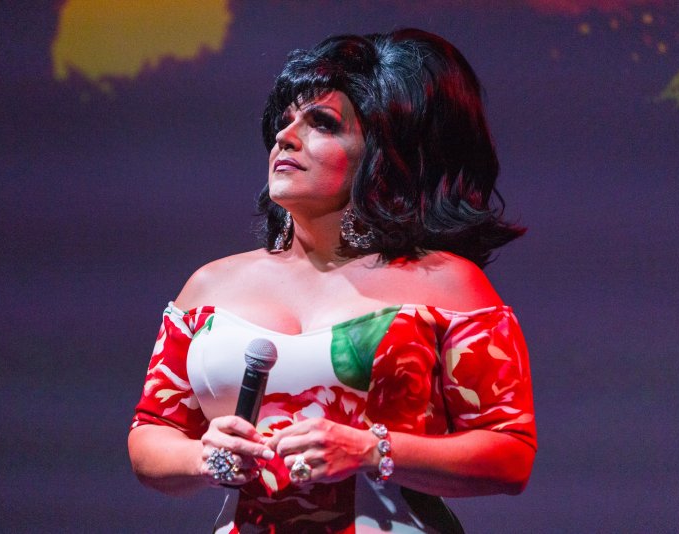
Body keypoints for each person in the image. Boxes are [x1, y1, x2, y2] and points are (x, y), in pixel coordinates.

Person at [128, 28, 536, 533]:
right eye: (285, 120)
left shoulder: (448, 285)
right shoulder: (210, 286)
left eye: (321, 122)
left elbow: (510, 454)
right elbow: (154, 432)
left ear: (381, 156)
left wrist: (370, 450)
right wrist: (203, 458)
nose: (286, 136)